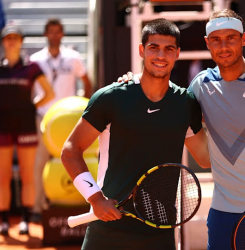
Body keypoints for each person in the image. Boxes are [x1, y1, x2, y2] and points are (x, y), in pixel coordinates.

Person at [120, 9, 245, 250]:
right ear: (207, 43)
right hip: (224, 214)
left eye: (230, 38)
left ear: (243, 39)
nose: (223, 46)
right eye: (216, 39)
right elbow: (167, 99)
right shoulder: (201, 86)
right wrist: (134, 81)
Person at [61, 18, 210, 250]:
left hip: (159, 231)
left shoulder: (185, 104)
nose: (161, 55)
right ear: (141, 50)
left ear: (178, 54)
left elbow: (205, 158)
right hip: (107, 231)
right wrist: (96, 199)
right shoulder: (110, 98)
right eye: (154, 48)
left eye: (169, 49)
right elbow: (71, 151)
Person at [30, 18, 93, 221]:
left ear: (62, 34)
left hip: (69, 118)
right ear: (45, 34)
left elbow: (86, 81)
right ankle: (39, 207)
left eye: (58, 32)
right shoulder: (35, 59)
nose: (54, 35)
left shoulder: (72, 57)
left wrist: (81, 105)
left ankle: (82, 202)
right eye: (51, 32)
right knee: (40, 163)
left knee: (75, 159)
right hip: (44, 119)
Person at [0, 24, 54, 235]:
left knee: (27, 175)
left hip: (25, 124)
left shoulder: (31, 67)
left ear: (21, 41)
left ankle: (25, 219)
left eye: (15, 37)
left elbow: (49, 93)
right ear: (4, 42)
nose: (11, 41)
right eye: (8, 38)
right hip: (2, 126)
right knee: (2, 176)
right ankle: (4, 221)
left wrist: (31, 106)